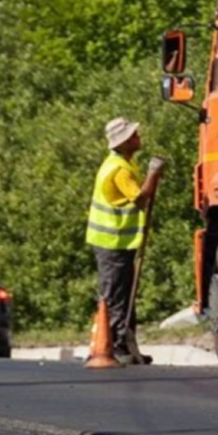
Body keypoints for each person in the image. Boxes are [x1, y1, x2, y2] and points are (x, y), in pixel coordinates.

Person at [89, 118, 165, 367]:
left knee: (125, 296)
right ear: (123, 142)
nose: (138, 136)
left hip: (118, 241)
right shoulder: (118, 169)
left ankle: (127, 346)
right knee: (115, 297)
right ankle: (114, 346)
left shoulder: (124, 162)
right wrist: (153, 174)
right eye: (133, 134)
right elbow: (141, 200)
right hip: (112, 241)